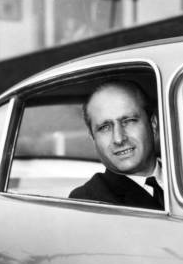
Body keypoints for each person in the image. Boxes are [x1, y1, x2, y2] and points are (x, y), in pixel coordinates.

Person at [69, 80, 164, 210]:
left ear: (153, 124)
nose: (119, 139)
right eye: (104, 127)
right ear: (93, 137)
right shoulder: (88, 202)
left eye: (128, 121)